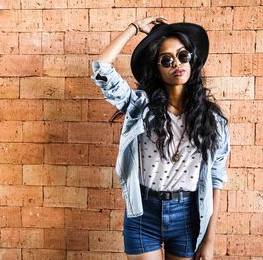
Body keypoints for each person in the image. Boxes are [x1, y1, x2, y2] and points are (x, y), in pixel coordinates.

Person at [90, 16, 231, 260]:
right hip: (144, 213)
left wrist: (210, 239)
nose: (177, 63)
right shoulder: (140, 107)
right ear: (157, 67)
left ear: (192, 60)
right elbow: (101, 68)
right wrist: (133, 28)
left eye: (183, 55)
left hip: (189, 214)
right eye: (167, 60)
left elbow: (216, 179)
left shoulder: (213, 120)